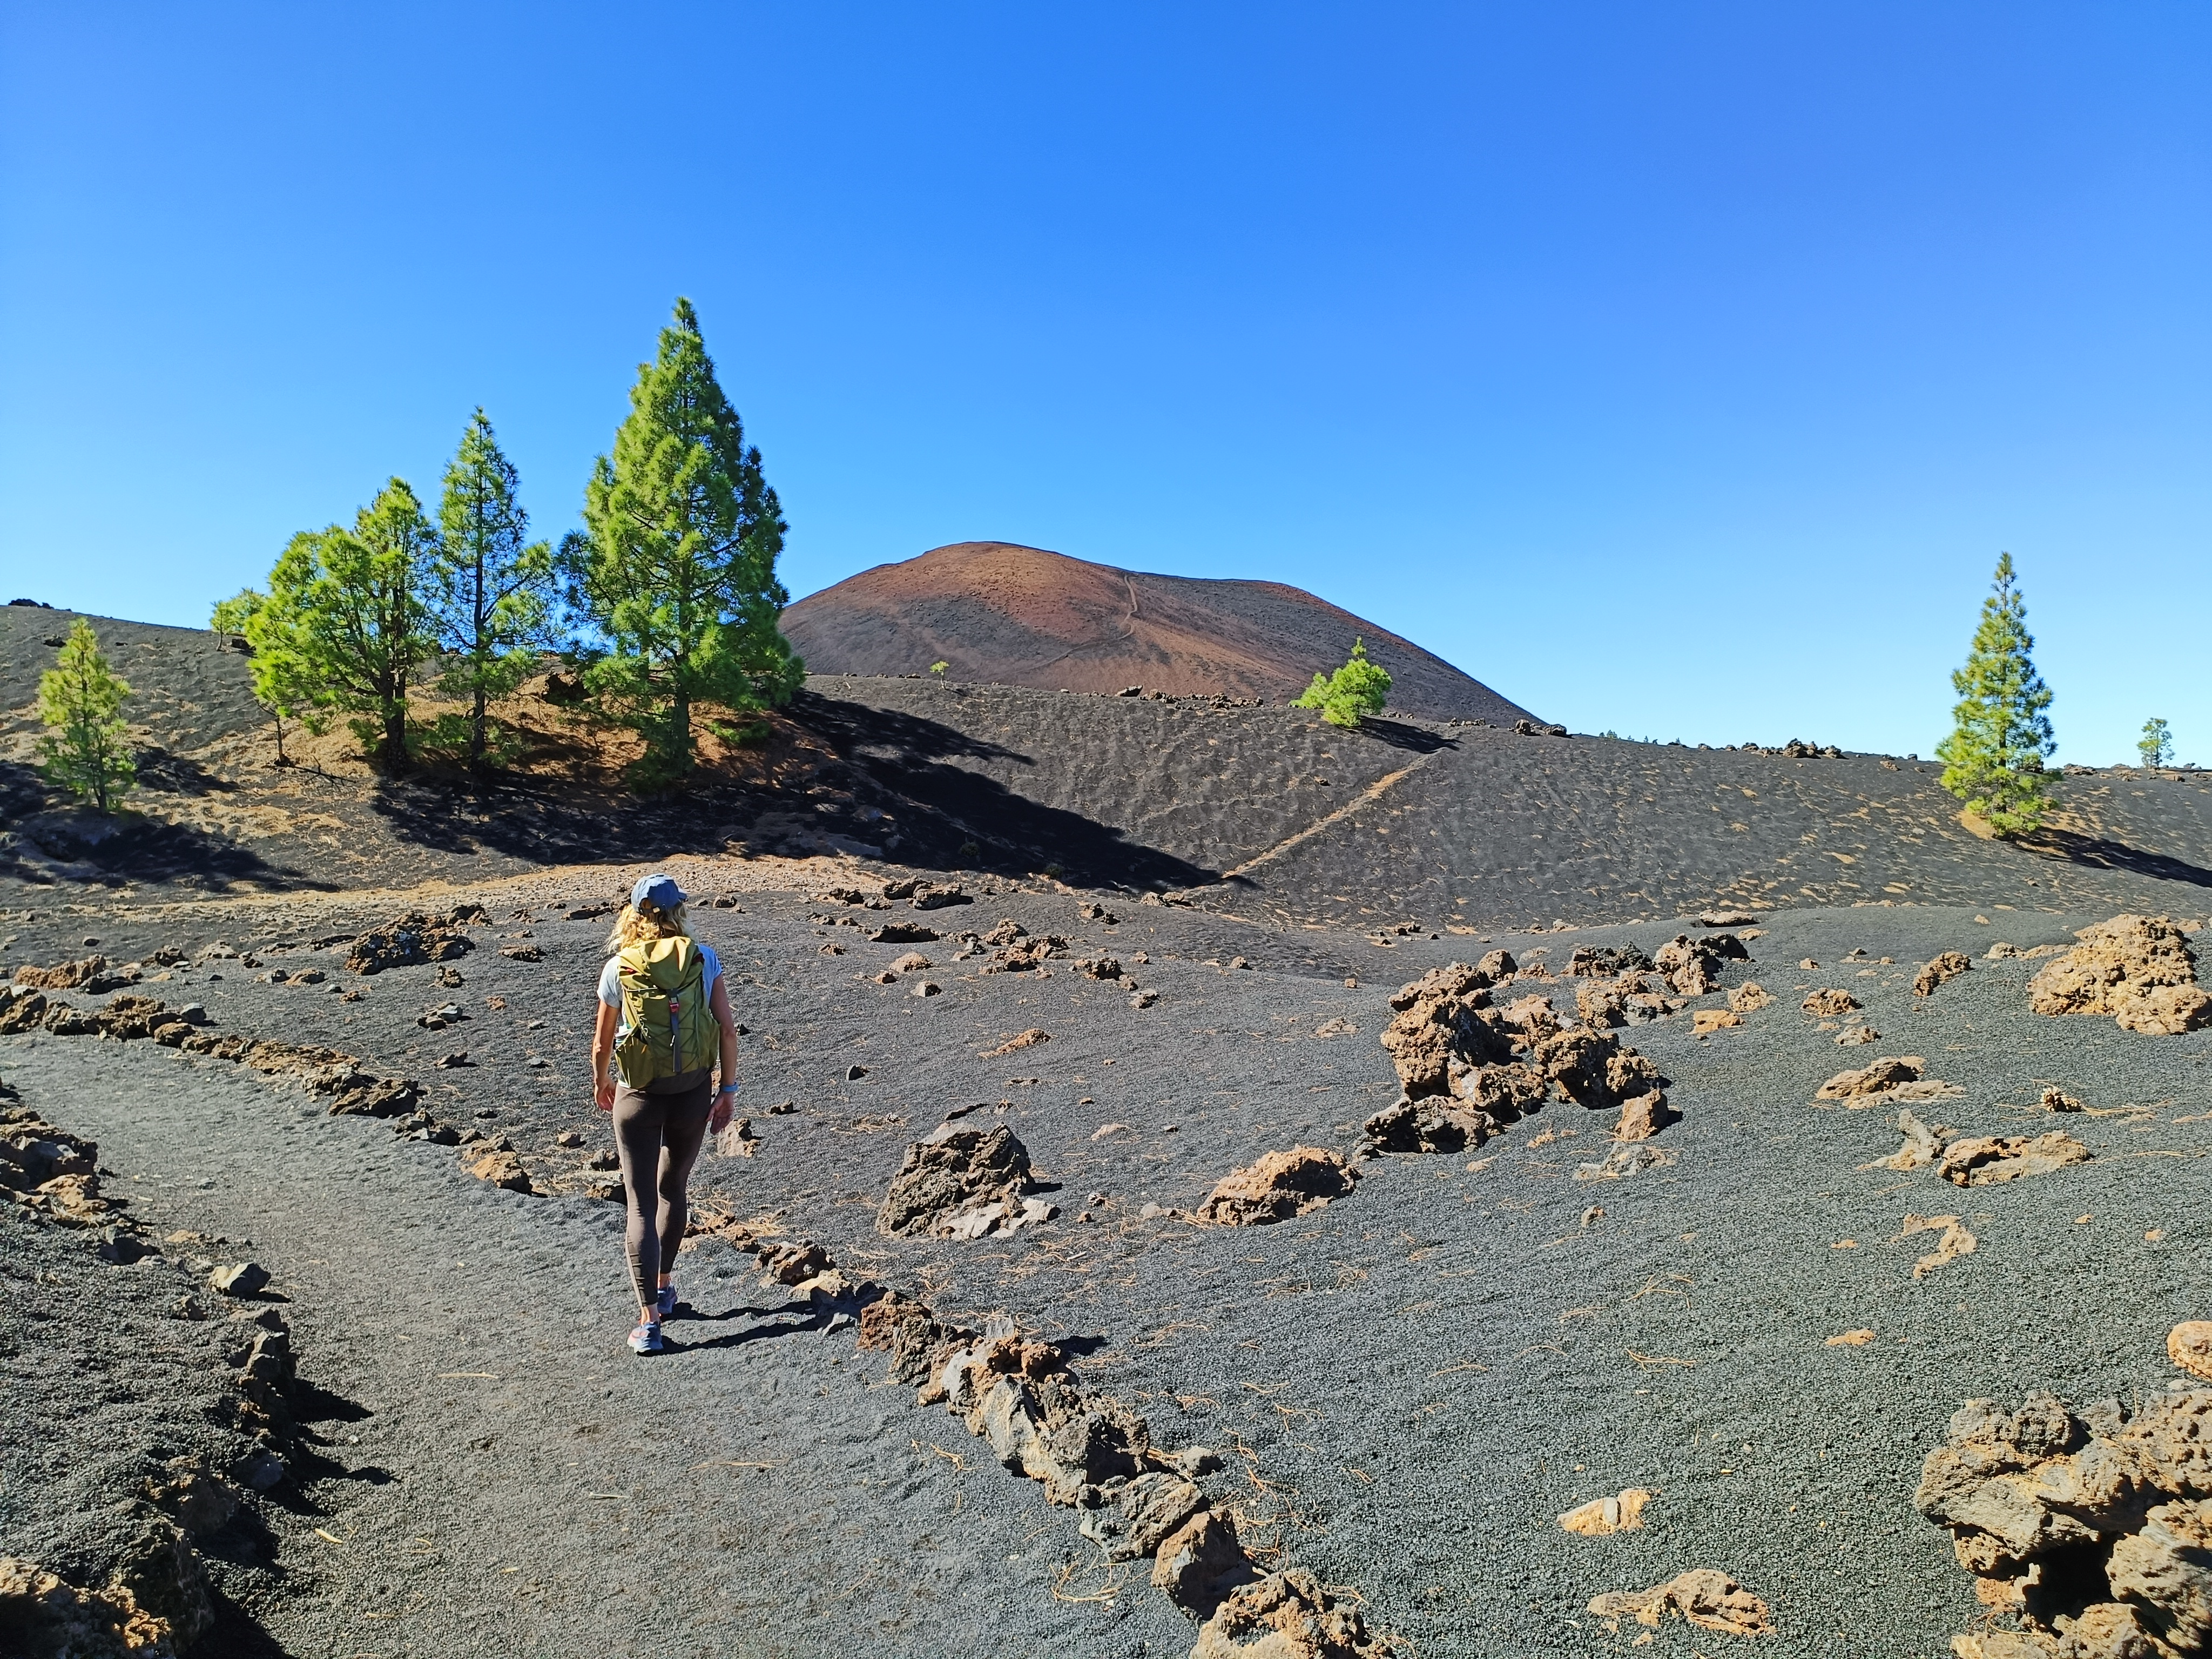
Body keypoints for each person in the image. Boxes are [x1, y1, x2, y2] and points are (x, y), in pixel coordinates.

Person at [591, 873, 739, 1354]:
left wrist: (603, 1083)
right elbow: (727, 1031)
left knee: (640, 1204)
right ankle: (667, 1285)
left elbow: (601, 1042)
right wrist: (728, 1089)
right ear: (680, 912)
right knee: (673, 1189)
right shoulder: (704, 957)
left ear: (634, 915)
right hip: (693, 1091)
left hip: (639, 1094)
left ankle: (649, 1320)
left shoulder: (619, 967)